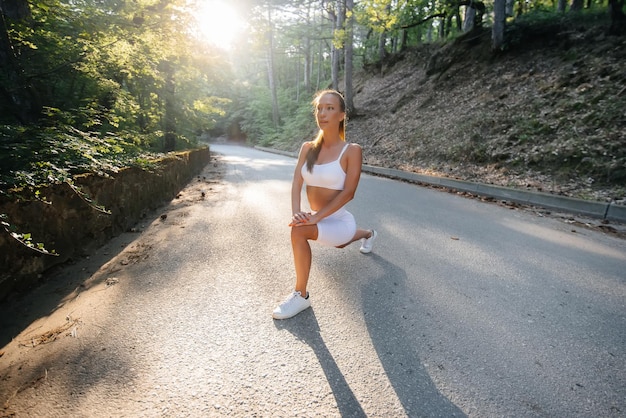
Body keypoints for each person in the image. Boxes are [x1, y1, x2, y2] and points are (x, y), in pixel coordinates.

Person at [272, 89, 377, 320]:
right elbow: (297, 182)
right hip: (317, 217)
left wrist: (315, 218)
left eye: (330, 108)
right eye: (319, 108)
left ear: (341, 115)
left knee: (304, 233)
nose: (323, 113)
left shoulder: (352, 151)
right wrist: (298, 213)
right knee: (309, 230)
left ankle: (301, 296)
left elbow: (349, 192)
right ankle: (368, 233)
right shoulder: (307, 148)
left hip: (338, 220)